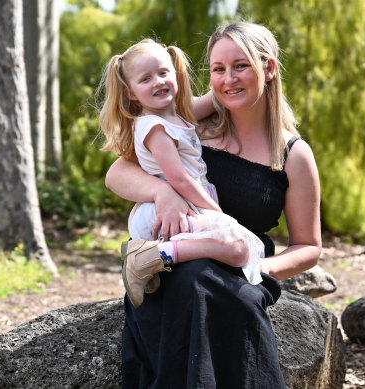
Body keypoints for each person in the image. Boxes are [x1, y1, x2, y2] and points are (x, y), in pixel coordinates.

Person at [105, 21, 322, 388]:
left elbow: (309, 247)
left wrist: (258, 265)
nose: (227, 79)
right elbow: (116, 174)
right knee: (194, 279)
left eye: (240, 65)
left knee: (221, 291)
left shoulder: (294, 155)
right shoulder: (193, 123)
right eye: (218, 69)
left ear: (268, 69)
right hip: (177, 261)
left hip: (242, 262)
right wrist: (163, 193)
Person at [97, 38, 266, 309]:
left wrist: (239, 75)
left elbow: (219, 95)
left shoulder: (177, 116)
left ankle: (157, 261)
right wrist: (220, 215)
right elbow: (179, 179)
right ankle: (150, 257)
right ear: (129, 93)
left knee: (236, 248)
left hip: (186, 204)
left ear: (175, 73)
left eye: (164, 73)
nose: (158, 82)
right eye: (146, 79)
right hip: (167, 210)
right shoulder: (155, 127)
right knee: (237, 248)